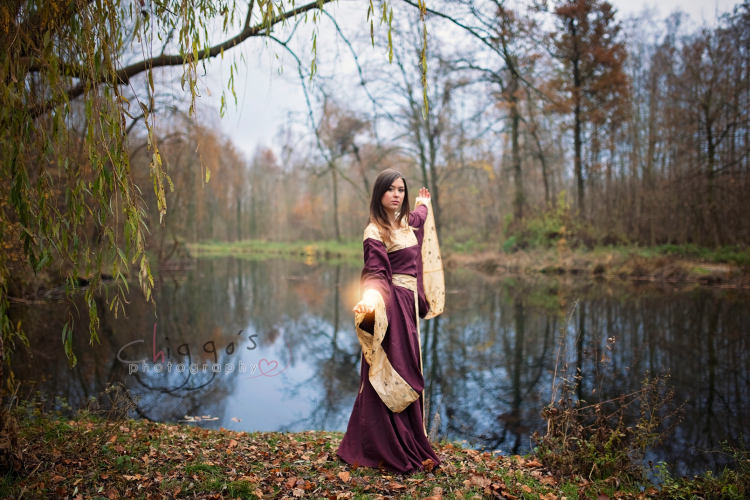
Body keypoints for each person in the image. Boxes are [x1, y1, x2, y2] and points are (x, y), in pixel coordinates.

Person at [336, 168, 445, 475]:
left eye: (401, 189)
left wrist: (424, 203)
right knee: (389, 368)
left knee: (410, 368)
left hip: (409, 309)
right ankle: (382, 444)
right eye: (391, 190)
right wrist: (371, 300)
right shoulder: (374, 231)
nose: (397, 194)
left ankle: (410, 437)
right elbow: (375, 272)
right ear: (379, 194)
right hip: (390, 307)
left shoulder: (408, 223)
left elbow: (421, 221)